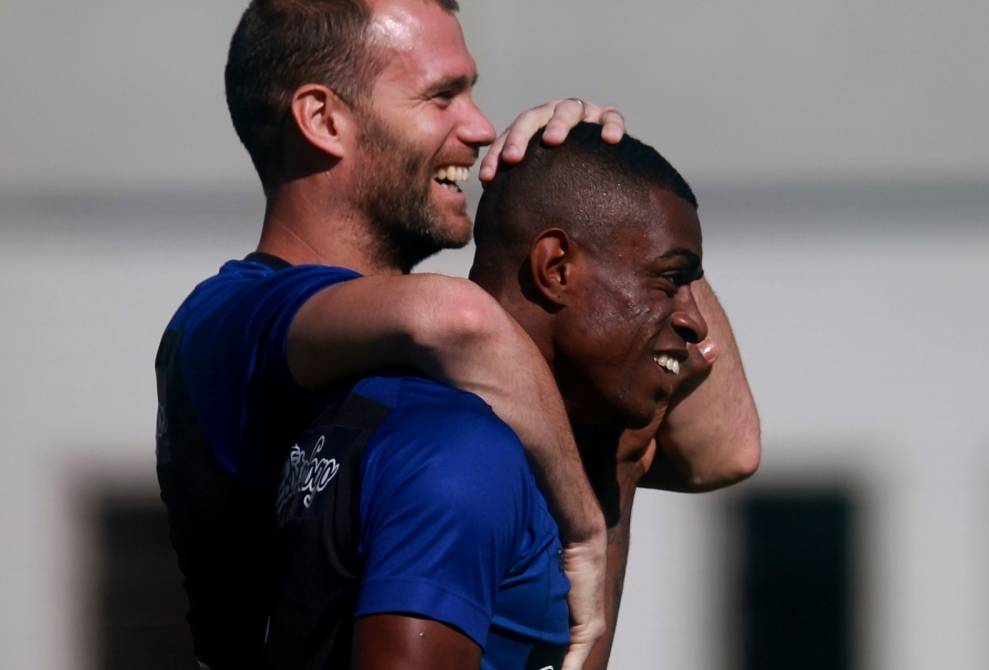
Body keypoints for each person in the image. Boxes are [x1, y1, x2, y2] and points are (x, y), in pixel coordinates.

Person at [155, 0, 758, 667]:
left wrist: (620, 202)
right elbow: (456, 321)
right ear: (324, 119)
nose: (480, 127)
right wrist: (582, 530)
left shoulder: (473, 366)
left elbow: (722, 448)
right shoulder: (226, 320)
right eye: (442, 96)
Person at [265, 123, 752, 670]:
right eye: (670, 280)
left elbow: (734, 452)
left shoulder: (487, 435)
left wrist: (620, 467)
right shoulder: (461, 454)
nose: (693, 319)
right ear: (556, 269)